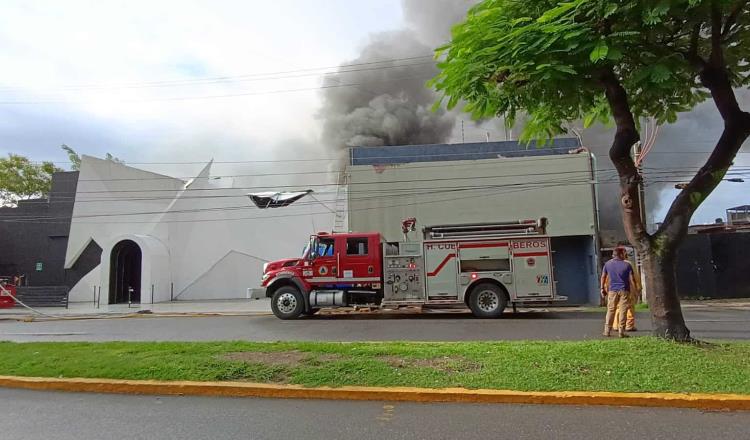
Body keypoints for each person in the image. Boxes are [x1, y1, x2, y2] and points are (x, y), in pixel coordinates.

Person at [600, 246, 638, 338]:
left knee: (611, 310)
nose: (625, 255)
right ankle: (621, 331)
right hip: (624, 290)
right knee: (623, 310)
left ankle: (607, 331)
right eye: (624, 254)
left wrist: (602, 288)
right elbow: (632, 279)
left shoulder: (607, 264)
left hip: (612, 290)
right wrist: (636, 290)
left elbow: (603, 276)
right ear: (621, 254)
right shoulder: (627, 265)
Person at [611, 256, 641, 332]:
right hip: (627, 288)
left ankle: (616, 325)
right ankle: (629, 325)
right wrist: (638, 287)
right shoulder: (628, 264)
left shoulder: (610, 264)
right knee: (629, 306)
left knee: (617, 306)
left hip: (614, 288)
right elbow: (633, 277)